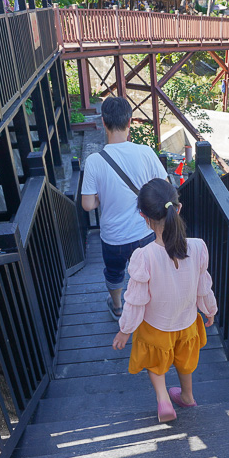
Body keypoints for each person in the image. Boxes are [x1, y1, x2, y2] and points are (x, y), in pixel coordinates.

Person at [112, 178, 217, 422]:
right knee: (185, 361)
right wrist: (209, 309)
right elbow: (204, 286)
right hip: (187, 322)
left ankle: (163, 400)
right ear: (178, 209)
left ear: (143, 217)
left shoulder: (143, 256)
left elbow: (136, 301)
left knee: (156, 362)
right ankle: (188, 396)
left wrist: (125, 331)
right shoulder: (198, 247)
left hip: (156, 327)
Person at [81, 96, 170, 322]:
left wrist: (102, 198)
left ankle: (119, 307)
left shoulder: (94, 161)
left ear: (104, 122)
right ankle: (151, 307)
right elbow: (165, 187)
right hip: (145, 232)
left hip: (113, 237)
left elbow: (87, 204)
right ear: (130, 122)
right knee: (148, 270)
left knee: (114, 273)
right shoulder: (145, 153)